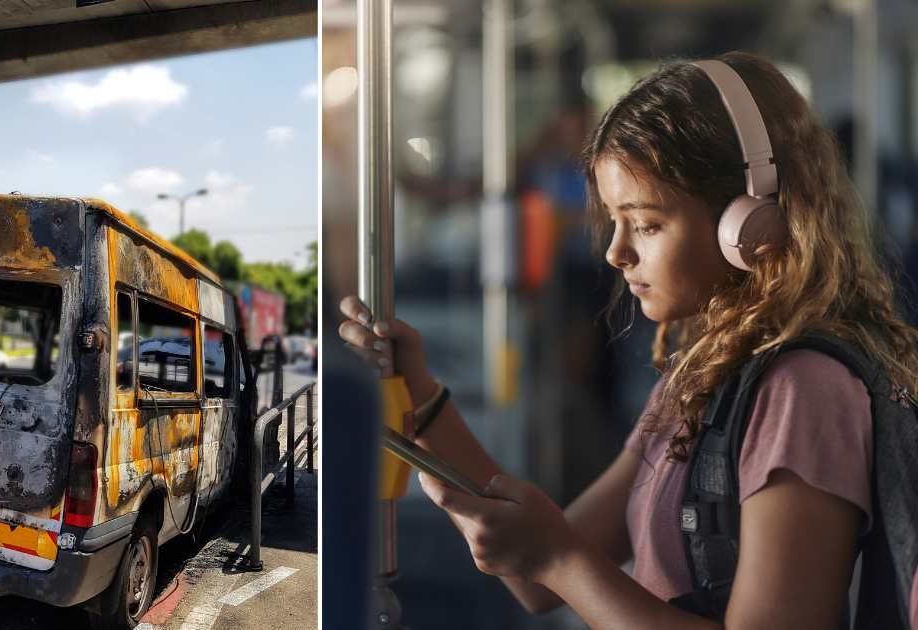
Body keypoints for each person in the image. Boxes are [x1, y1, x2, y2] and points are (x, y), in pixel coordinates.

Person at [339, 51, 918, 628]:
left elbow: (558, 560)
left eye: (645, 224)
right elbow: (535, 581)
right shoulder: (704, 375)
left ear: (749, 222)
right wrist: (419, 393)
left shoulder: (801, 393)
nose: (616, 253)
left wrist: (556, 557)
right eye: (613, 221)